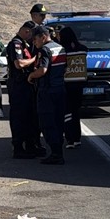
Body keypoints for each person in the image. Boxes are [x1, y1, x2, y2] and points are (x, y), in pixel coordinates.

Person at [27, 24, 67, 165]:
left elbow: (42, 70)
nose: (34, 42)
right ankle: (58, 151)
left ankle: (56, 154)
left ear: (43, 37)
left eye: (35, 39)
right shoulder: (60, 48)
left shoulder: (44, 50)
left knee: (47, 122)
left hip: (47, 91)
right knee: (58, 122)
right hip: (60, 89)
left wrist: (31, 76)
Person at [5, 21, 40, 158]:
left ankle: (31, 146)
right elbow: (19, 64)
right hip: (18, 84)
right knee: (19, 116)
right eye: (32, 34)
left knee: (30, 116)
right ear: (27, 31)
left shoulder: (25, 44)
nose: (33, 38)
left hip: (26, 84)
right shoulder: (16, 44)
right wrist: (34, 59)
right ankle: (18, 148)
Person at [57, 25, 87, 149]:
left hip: (67, 83)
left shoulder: (63, 51)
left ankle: (70, 139)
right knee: (76, 111)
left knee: (67, 112)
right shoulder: (83, 49)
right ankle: (77, 138)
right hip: (80, 83)